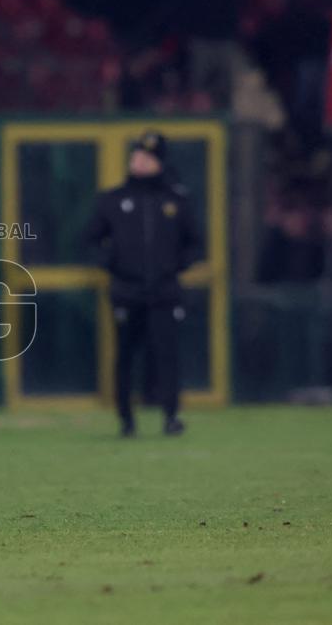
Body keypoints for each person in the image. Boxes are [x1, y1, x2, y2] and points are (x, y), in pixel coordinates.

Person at [85, 130, 201, 438]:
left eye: (147, 157)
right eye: (137, 155)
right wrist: (113, 264)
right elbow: (90, 240)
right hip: (127, 292)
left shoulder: (176, 200)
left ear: (159, 163)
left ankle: (171, 415)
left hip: (165, 292)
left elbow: (196, 244)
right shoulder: (113, 200)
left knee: (167, 355)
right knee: (125, 356)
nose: (139, 161)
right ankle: (126, 418)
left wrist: (175, 265)